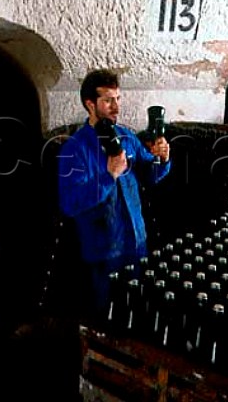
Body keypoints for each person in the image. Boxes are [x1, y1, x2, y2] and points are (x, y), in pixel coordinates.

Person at [57, 68, 171, 320]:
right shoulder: (74, 149)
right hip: (102, 251)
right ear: (90, 104)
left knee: (137, 315)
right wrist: (108, 176)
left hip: (137, 244)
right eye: (108, 100)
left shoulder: (127, 137)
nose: (116, 107)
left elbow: (150, 177)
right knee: (105, 319)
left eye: (118, 99)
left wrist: (161, 159)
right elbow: (69, 204)